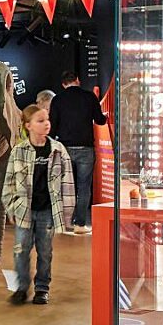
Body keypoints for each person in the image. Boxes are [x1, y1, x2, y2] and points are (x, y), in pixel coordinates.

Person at [0, 104, 75, 305]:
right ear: (28, 126)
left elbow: (67, 183)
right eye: (40, 121)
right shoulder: (19, 151)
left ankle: (42, 288)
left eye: (47, 119)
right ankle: (22, 288)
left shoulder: (58, 150)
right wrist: (11, 207)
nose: (46, 124)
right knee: (21, 250)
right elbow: (9, 182)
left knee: (45, 251)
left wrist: (66, 215)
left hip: (47, 212)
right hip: (24, 211)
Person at [49, 72, 106, 235]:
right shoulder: (89, 97)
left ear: (63, 84)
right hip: (86, 148)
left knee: (64, 186)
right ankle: (80, 223)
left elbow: (52, 127)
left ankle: (63, 222)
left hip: (64, 148)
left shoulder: (58, 99)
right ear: (78, 81)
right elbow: (100, 120)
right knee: (84, 187)